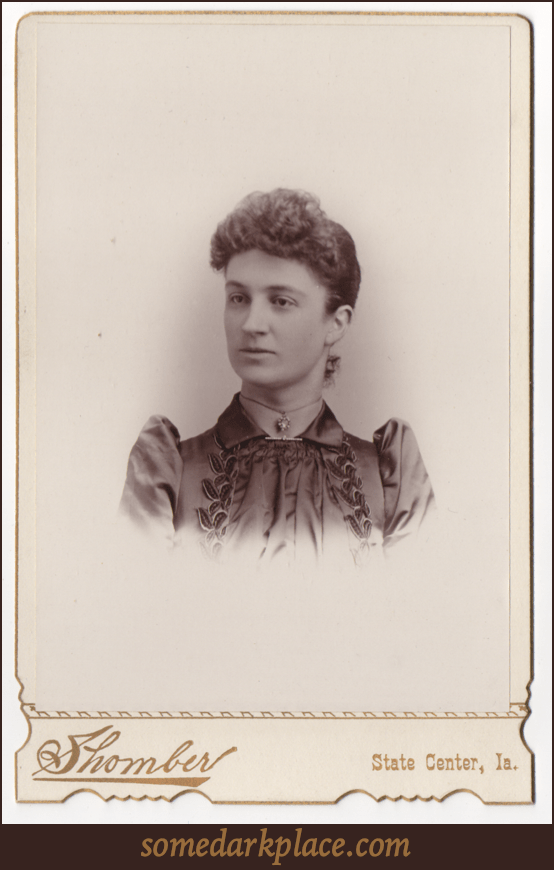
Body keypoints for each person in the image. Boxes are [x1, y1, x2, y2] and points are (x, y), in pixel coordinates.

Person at [120, 189, 435, 568]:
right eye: (238, 298)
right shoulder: (168, 472)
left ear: (336, 323)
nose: (251, 325)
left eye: (281, 301)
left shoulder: (388, 478)